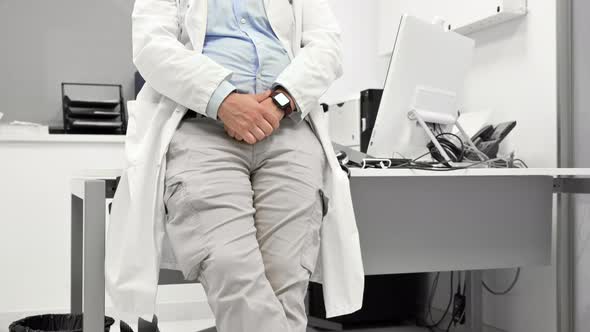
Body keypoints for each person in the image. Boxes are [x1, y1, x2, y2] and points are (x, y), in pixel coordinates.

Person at [105, 0, 364, 331]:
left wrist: (279, 102)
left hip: (285, 126)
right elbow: (151, 46)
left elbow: (326, 44)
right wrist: (223, 99)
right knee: (231, 269)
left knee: (286, 278)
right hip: (200, 125)